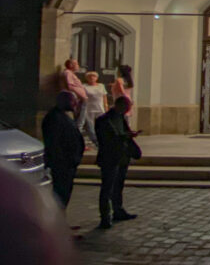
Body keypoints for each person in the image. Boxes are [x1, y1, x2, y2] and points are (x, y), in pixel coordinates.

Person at [95, 96, 138, 229]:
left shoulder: (120, 117)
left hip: (122, 157)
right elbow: (109, 139)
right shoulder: (104, 120)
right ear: (120, 105)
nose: (127, 111)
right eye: (127, 108)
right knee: (107, 187)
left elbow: (123, 133)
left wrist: (129, 135)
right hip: (110, 158)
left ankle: (118, 210)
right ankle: (105, 216)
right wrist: (127, 135)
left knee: (118, 186)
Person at [41, 91, 85, 208]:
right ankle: (56, 221)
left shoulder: (63, 116)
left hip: (68, 162)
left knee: (64, 193)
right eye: (73, 101)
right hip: (62, 164)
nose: (75, 103)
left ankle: (60, 220)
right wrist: (62, 161)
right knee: (60, 194)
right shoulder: (54, 118)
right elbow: (54, 143)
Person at [59, 58, 88, 133]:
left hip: (80, 98)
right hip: (77, 98)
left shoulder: (71, 74)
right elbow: (70, 86)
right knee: (79, 118)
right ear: (71, 65)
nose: (78, 66)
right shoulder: (68, 73)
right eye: (76, 64)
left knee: (81, 117)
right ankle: (77, 131)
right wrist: (81, 96)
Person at [81, 71, 108, 148]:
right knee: (90, 125)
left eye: (94, 76)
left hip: (99, 107)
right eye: (90, 76)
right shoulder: (85, 86)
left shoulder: (101, 86)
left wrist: (106, 107)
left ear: (97, 78)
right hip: (89, 108)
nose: (92, 78)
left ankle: (102, 138)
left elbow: (104, 96)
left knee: (102, 124)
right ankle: (94, 140)